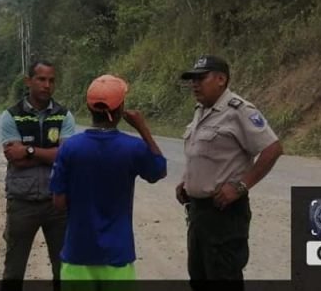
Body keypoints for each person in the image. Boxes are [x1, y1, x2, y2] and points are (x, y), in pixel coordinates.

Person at [176, 55, 283, 287]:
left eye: (201, 78)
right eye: (192, 79)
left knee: (224, 278)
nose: (194, 84)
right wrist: (186, 181)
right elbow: (202, 153)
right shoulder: (202, 111)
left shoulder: (239, 110)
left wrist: (241, 186)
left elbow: (272, 148)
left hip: (225, 214)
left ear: (221, 79)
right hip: (198, 213)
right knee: (199, 277)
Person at [50, 74, 167, 284]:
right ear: (121, 109)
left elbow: (58, 202)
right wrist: (142, 128)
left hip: (77, 255)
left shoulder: (69, 148)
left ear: (88, 107)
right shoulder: (133, 148)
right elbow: (159, 170)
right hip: (117, 255)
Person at [0, 60, 76, 286]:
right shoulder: (11, 115)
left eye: (51, 80)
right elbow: (14, 159)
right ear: (29, 81)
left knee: (64, 270)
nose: (47, 85)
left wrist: (29, 150)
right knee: (14, 270)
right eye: (41, 79)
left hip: (58, 204)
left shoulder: (65, 115)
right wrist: (51, 155)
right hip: (22, 203)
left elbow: (66, 158)